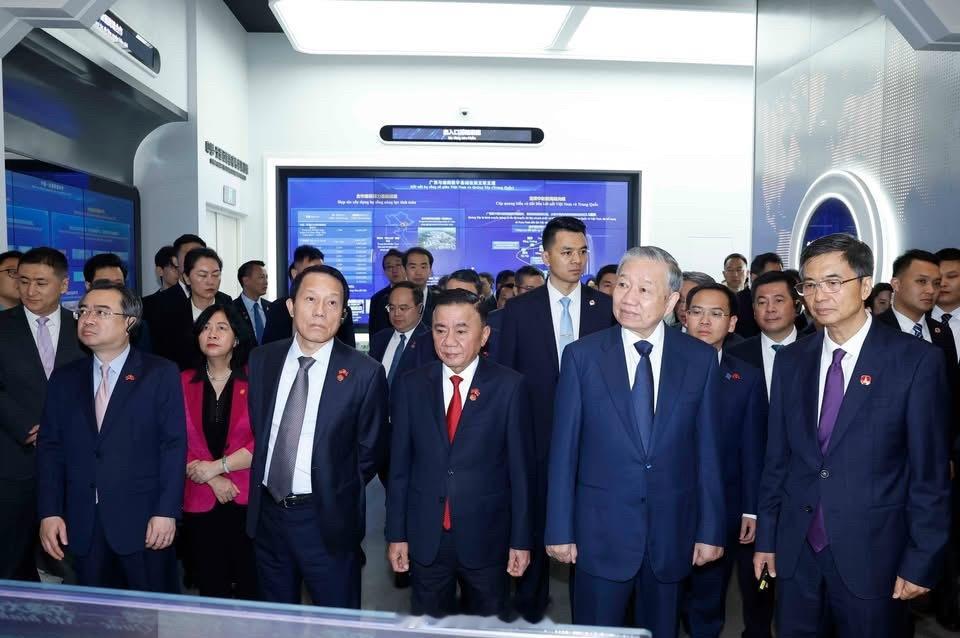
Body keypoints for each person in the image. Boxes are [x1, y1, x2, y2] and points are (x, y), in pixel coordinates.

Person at [754, 233, 951, 637]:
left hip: (875, 553)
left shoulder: (915, 361)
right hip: (797, 552)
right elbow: (777, 460)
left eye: (833, 282)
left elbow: (928, 474)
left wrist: (922, 558)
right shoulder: (792, 361)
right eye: (810, 285)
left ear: (864, 286)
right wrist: (767, 539)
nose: (819, 295)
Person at [545, 246, 725, 636]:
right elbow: (563, 452)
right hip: (599, 535)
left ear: (671, 301)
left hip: (671, 534)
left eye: (644, 289)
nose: (628, 297)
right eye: (623, 285)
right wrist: (559, 528)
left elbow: (708, 452)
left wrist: (710, 530)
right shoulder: (582, 357)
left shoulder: (699, 360)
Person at [386, 289, 535, 617]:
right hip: (427, 537)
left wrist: (521, 540)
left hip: (487, 537)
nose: (449, 340)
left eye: (461, 330)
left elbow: (521, 474)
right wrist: (396, 534)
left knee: (488, 625)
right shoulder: (411, 386)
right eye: (440, 330)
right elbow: (399, 470)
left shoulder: (509, 387)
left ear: (484, 335)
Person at [246, 265, 387, 607]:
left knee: (336, 619)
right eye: (310, 299)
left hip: (325, 519)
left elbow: (370, 450)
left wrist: (334, 484)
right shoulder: (263, 359)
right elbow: (260, 426)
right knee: (274, 618)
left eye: (332, 302)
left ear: (343, 314)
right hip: (268, 515)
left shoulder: (364, 372)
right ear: (291, 306)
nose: (320, 311)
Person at [497, 216, 615, 622]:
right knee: (532, 527)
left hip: (595, 443)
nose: (577, 260)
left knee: (590, 532)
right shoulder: (518, 311)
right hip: (535, 440)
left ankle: (590, 618)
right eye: (567, 252)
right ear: (546, 256)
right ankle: (531, 611)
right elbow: (506, 379)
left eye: (582, 252)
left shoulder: (606, 308)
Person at [37, 281, 186, 592]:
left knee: (148, 611)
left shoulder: (159, 373)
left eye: (101, 312)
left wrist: (166, 511)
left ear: (129, 322)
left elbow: (173, 446)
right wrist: (50, 511)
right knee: (92, 611)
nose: (88, 319)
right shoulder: (65, 379)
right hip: (82, 521)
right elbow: (50, 450)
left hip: (143, 520)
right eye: (83, 311)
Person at [681, 283, 767, 638]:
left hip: (721, 507)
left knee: (708, 595)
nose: (705, 321)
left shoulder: (746, 377)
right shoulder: (654, 366)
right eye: (697, 312)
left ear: (731, 323)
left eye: (716, 314)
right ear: (684, 316)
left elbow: (752, 447)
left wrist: (751, 510)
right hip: (663, 504)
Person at [0, 247, 85, 581]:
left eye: (40, 282)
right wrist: (27, 427)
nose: (30, 290)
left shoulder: (84, 328)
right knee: (11, 557)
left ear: (63, 285)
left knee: (77, 555)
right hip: (14, 458)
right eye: (23, 281)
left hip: (72, 459)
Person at [180, 303, 257, 599]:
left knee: (252, 585)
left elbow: (264, 438)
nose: (211, 334)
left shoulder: (255, 379)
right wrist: (211, 477)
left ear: (236, 338)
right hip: (200, 495)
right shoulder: (181, 381)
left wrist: (218, 467)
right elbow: (172, 440)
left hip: (244, 497)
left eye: (221, 328)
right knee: (211, 587)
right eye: (206, 328)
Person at [149, 242, 232, 370]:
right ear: (186, 278)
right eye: (202, 275)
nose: (210, 281)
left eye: (216, 275)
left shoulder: (230, 309)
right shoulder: (169, 316)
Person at [261, 245, 356, 348]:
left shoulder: (341, 312)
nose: (319, 312)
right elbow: (268, 348)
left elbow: (349, 350)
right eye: (310, 299)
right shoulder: (277, 308)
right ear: (294, 274)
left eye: (321, 270)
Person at [728, 270, 802, 397]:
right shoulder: (735, 356)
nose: (770, 309)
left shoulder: (817, 351)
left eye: (778, 300)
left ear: (796, 306)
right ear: (754, 311)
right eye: (762, 302)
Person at [82, 253, 153, 353]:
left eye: (118, 284)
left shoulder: (136, 326)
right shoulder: (77, 325)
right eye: (104, 284)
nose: (112, 289)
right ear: (88, 286)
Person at [368, 282, 432, 389]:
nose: (396, 314)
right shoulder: (379, 339)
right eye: (392, 308)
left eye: (403, 308)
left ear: (420, 308)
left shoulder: (430, 341)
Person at [735, 253, 784, 338]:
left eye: (780, 276)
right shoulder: (736, 302)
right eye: (772, 276)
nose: (777, 281)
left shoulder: (785, 301)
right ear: (754, 278)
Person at [369, 249, 407, 336]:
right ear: (385, 272)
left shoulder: (417, 293)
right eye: (389, 267)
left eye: (398, 265)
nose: (394, 270)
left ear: (406, 267)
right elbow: (373, 333)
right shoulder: (377, 299)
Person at [234, 260, 271, 345]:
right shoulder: (232, 309)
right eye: (261, 277)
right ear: (246, 281)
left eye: (266, 277)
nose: (266, 282)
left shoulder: (272, 307)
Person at [403, 248, 438, 323]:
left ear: (430, 270)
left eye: (423, 267)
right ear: (404, 270)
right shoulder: (390, 300)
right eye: (413, 267)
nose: (418, 273)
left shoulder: (440, 300)